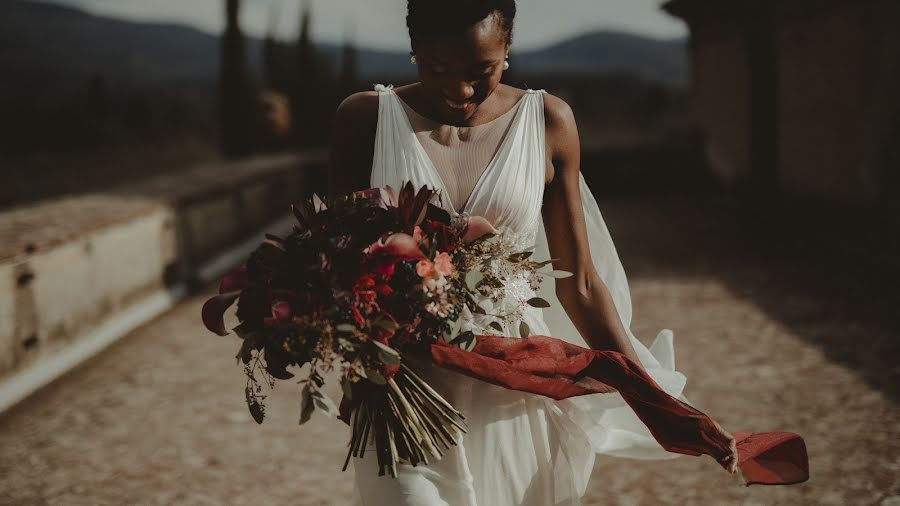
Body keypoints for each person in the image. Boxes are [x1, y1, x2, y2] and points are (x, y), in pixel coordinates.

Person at [329, 1, 737, 504]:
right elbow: (339, 261)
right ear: (414, 50)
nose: (460, 91)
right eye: (438, 68)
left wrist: (653, 398)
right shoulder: (363, 120)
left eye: (482, 70)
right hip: (403, 385)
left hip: (516, 389)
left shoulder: (547, 120)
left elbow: (581, 283)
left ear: (507, 50)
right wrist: (353, 360)